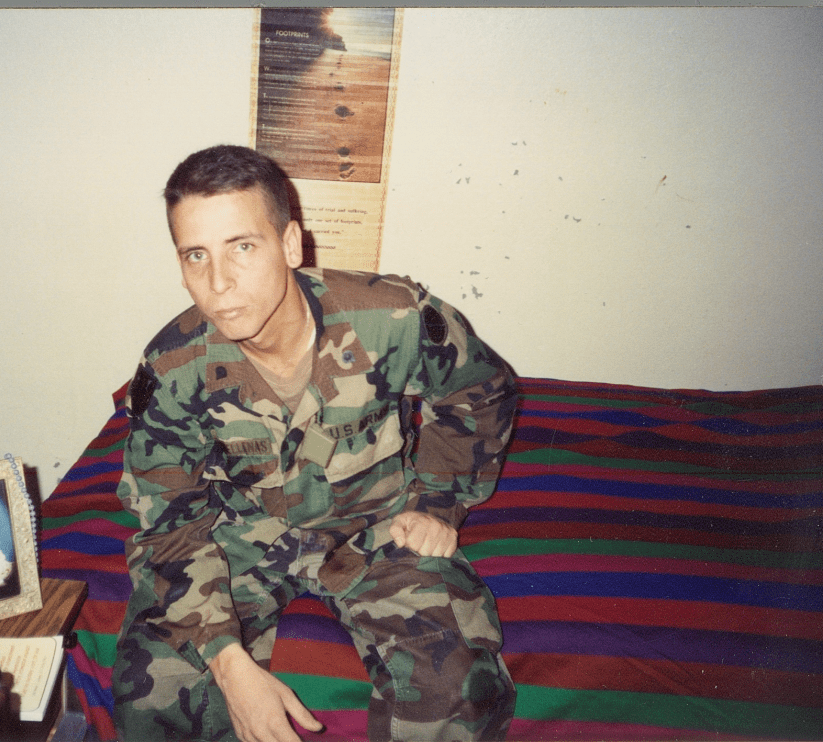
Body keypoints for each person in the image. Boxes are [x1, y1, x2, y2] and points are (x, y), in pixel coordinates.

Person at [111, 144, 519, 742]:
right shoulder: (173, 368)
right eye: (196, 255)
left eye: (242, 247)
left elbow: (479, 390)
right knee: (154, 701)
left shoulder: (393, 317)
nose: (218, 283)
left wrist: (438, 499)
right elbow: (169, 522)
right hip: (239, 536)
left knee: (458, 690)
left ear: (290, 245)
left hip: (375, 527)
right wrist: (226, 661)